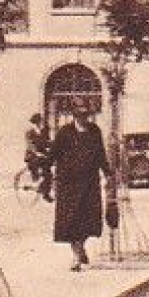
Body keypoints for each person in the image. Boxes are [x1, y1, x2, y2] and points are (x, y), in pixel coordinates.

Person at [51, 100, 109, 272]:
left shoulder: (94, 131)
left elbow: (100, 153)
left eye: (86, 115)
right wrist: (46, 173)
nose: (83, 118)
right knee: (71, 221)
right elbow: (54, 154)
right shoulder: (64, 132)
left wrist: (108, 172)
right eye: (80, 115)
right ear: (74, 115)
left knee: (88, 220)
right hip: (68, 184)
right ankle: (76, 257)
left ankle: (81, 246)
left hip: (90, 183)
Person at [23, 113, 54, 202]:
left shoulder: (44, 131)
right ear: (36, 122)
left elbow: (47, 143)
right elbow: (30, 145)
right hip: (32, 156)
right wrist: (36, 153)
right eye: (40, 121)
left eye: (42, 121)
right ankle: (40, 185)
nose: (41, 123)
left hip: (43, 155)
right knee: (44, 171)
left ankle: (45, 192)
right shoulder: (30, 132)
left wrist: (55, 145)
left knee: (48, 174)